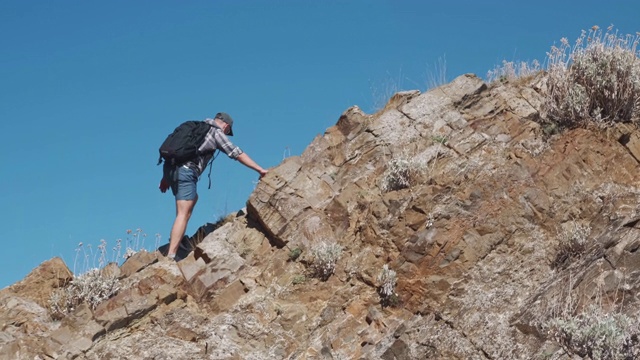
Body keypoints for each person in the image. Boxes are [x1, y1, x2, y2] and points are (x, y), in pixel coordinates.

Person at [159, 112, 268, 260]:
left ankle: (174, 247)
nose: (227, 134)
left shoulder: (196, 127)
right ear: (226, 126)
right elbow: (236, 153)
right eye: (228, 132)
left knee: (192, 200)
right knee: (182, 214)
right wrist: (259, 169)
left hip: (171, 169)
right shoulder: (215, 131)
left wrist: (166, 178)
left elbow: (178, 151)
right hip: (186, 171)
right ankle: (171, 256)